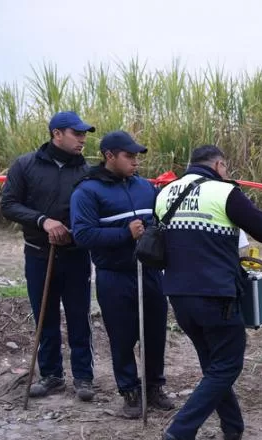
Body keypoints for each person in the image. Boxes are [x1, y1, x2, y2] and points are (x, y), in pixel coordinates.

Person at [157, 146, 262, 440]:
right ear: (218, 164)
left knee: (214, 364)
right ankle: (181, 430)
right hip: (215, 293)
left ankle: (232, 427)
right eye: (226, 167)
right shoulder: (224, 192)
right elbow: (261, 225)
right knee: (228, 364)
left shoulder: (165, 193)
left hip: (177, 293)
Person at [71, 131, 174, 418]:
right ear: (109, 156)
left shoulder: (145, 187)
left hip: (150, 273)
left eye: (137, 156)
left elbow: (159, 222)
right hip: (114, 275)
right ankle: (129, 391)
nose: (135, 162)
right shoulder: (87, 191)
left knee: (155, 334)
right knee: (122, 337)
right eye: (129, 156)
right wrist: (124, 233)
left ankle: (154, 387)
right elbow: (82, 235)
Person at [1, 111, 96, 401]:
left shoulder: (88, 172)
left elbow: (96, 210)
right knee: (45, 316)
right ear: (57, 134)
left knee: (80, 315)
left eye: (84, 134)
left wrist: (76, 229)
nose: (82, 139)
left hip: (76, 254)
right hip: (38, 254)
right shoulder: (25, 164)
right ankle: (52, 375)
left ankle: (83, 377)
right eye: (76, 133)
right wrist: (43, 220)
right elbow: (8, 204)